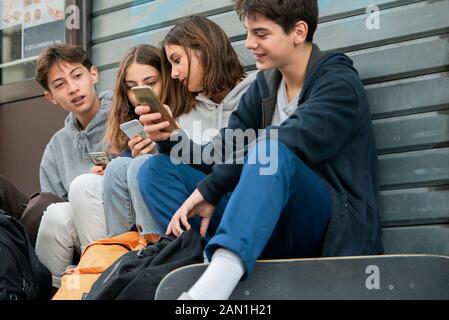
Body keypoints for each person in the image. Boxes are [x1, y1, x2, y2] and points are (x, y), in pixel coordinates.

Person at [137, 0, 384, 300]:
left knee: (270, 150)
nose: (250, 44)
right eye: (248, 32)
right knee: (156, 170)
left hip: (330, 228)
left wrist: (212, 189)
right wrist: (169, 138)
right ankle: (203, 264)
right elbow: (222, 153)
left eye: (261, 34)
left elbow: (290, 140)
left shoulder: (337, 82)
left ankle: (212, 289)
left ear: (298, 31)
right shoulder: (264, 87)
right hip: (266, 224)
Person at [109, 16, 257, 237]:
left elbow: (223, 160)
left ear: (203, 50)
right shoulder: (187, 109)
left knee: (151, 168)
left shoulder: (258, 92)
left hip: (250, 199)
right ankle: (153, 250)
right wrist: (166, 140)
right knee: (135, 167)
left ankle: (167, 250)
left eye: (177, 60)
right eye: (170, 64)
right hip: (208, 201)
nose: (174, 74)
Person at [34, 44, 112, 288]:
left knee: (84, 185)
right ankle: (54, 291)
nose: (73, 88)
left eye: (77, 75)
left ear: (93, 74)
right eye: (60, 85)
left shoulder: (125, 116)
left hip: (125, 226)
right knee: (55, 213)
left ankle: (102, 286)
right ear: (51, 97)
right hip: (79, 239)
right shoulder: (56, 147)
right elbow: (56, 211)